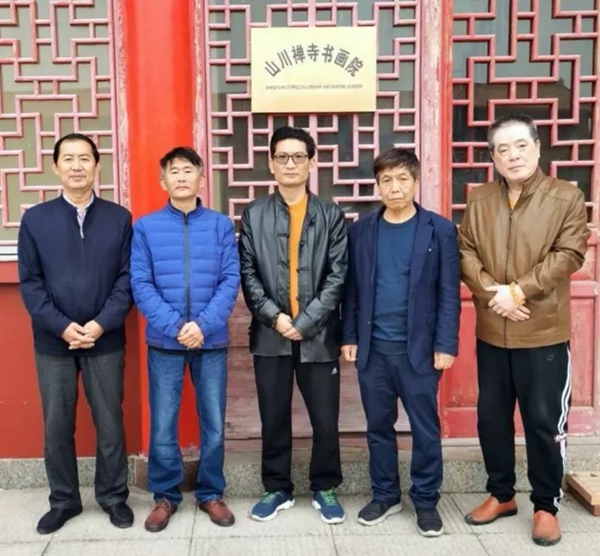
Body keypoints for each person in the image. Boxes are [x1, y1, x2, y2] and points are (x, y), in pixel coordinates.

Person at [458, 114, 590, 547]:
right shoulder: (480, 200)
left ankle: (546, 505)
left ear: (536, 147)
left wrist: (518, 291)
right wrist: (494, 294)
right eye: (503, 149)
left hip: (542, 332)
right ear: (493, 157)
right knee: (491, 419)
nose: (512, 155)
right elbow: (466, 251)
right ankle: (501, 495)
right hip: (492, 332)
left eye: (520, 146)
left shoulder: (566, 196)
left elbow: (569, 253)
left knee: (543, 421)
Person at [18, 133, 134, 534]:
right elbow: (30, 283)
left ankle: (113, 497)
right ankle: (64, 501)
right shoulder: (36, 220)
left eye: (85, 158)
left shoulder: (119, 218)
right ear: (55, 167)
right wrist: (63, 326)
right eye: (68, 159)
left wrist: (101, 323)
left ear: (97, 166)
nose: (77, 166)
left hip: (106, 339)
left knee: (110, 422)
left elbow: (126, 280)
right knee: (57, 424)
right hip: (54, 341)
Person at [341, 147, 460, 537]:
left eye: (402, 179)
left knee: (425, 428)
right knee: (378, 426)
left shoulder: (439, 230)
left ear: (416, 181)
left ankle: (425, 500)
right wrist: (350, 336)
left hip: (419, 351)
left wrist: (446, 344)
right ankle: (385, 495)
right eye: (386, 180)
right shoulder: (362, 231)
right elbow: (352, 289)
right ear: (378, 185)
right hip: (374, 350)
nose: (394, 187)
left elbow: (448, 292)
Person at [239, 126, 348, 524]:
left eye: (298, 156)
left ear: (311, 162)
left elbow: (338, 275)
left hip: (319, 336)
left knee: (325, 418)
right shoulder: (254, 214)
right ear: (271, 163)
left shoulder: (330, 214)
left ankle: (325, 486)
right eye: (282, 157)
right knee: (273, 416)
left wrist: (305, 321)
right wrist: (275, 316)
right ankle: (277, 488)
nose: (290, 164)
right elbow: (248, 273)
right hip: (271, 335)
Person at [131, 147, 240, 533]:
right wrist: (178, 326)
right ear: (163, 181)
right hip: (165, 342)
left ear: (201, 179)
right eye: (173, 171)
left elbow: (230, 279)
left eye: (188, 170)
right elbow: (141, 283)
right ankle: (165, 495)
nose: (181, 176)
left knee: (213, 423)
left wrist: (203, 325)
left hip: (210, 342)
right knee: (163, 424)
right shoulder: (145, 227)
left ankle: (211, 492)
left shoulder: (220, 225)